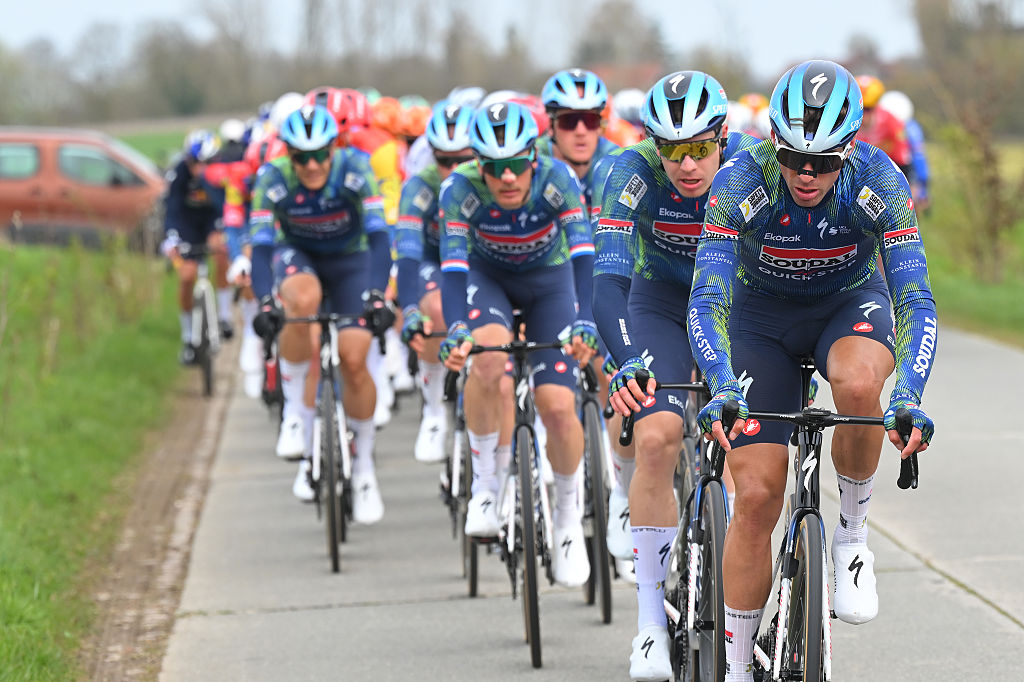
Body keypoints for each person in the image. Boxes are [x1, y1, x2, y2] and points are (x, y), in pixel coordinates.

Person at [687, 60, 936, 682]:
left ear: (849, 149)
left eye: (824, 162)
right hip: (757, 320)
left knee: (858, 386)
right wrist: (720, 384)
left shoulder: (880, 179)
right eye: (795, 156)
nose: (806, 173)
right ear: (774, 138)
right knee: (758, 498)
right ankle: (738, 665)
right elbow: (707, 300)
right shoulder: (740, 180)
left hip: (847, 305)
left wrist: (907, 392)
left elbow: (915, 302)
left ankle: (851, 536)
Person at [593, 71, 759, 681]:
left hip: (740, 301)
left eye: (698, 148)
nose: (685, 165)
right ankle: (649, 625)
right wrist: (627, 356)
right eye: (670, 149)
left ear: (722, 135)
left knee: (750, 446)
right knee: (659, 434)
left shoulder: (753, 165)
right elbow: (608, 282)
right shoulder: (628, 172)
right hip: (659, 300)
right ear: (652, 144)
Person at [437, 101, 598, 587]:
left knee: (555, 404)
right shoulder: (458, 189)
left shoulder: (558, 179)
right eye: (494, 167)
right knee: (486, 362)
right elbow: (452, 269)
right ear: (477, 164)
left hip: (549, 282)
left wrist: (586, 320)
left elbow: (585, 257)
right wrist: (456, 330)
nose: (507, 178)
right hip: (489, 281)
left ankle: (568, 521)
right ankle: (486, 485)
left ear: (533, 155)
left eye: (516, 165)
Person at [248, 105, 392, 523]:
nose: (311, 165)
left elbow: (381, 238)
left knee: (353, 358)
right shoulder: (273, 178)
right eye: (300, 156)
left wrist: (379, 295)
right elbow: (260, 248)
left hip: (352, 262)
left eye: (320, 154)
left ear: (334, 149)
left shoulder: (356, 169)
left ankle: (364, 467)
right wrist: (265, 301)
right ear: (287, 154)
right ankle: (295, 413)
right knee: (301, 301)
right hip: (301, 257)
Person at [396, 101, 475, 463]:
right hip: (434, 261)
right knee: (438, 311)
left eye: (463, 159)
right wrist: (410, 309)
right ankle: (432, 411)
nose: (454, 170)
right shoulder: (420, 187)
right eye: (445, 161)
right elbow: (408, 254)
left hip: (482, 263)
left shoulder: (494, 182)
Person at [161, 130, 232, 364]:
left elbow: (228, 205)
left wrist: (224, 230)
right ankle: (189, 338)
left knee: (222, 255)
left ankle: (224, 316)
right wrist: (172, 239)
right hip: (188, 227)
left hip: (211, 222)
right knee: (187, 276)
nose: (200, 169)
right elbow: (171, 210)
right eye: (195, 163)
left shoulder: (222, 175)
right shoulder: (179, 174)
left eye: (206, 164)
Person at [880, 89, 931, 212]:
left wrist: (922, 191)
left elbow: (918, 160)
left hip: (902, 177)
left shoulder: (910, 130)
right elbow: (920, 161)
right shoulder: (912, 128)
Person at [855, 75, 913, 176]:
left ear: (876, 106)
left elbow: (903, 161)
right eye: (859, 109)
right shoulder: (846, 122)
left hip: (887, 171)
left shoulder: (891, 122)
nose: (863, 115)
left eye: (868, 109)